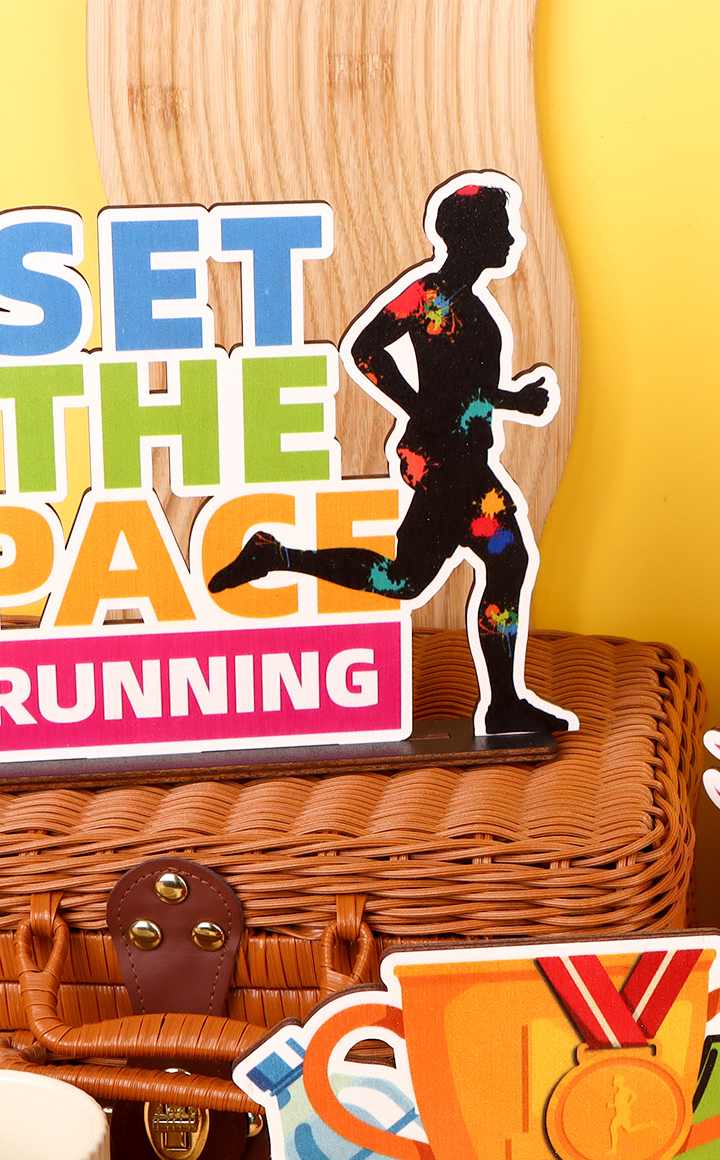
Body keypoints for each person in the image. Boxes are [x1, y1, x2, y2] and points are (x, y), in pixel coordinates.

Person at [208, 175, 574, 738]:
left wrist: (478, 403)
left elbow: (458, 392)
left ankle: (278, 556)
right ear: (473, 236)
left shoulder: (468, 305)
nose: (513, 238)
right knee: (435, 575)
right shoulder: (432, 298)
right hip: (446, 465)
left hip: (463, 460)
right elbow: (366, 350)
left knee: (448, 572)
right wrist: (481, 403)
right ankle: (277, 556)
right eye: (503, 227)